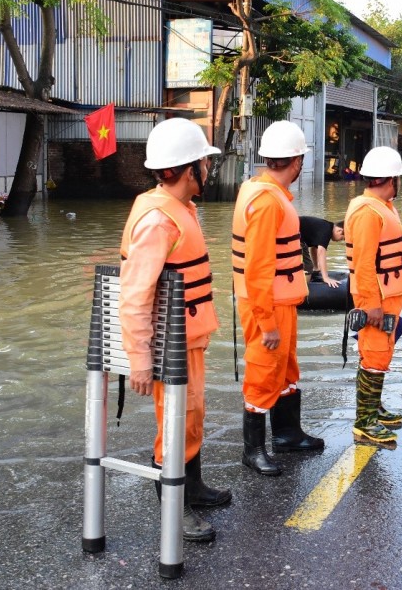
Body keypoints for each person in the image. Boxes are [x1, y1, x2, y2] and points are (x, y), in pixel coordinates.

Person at [118, 118, 230, 543]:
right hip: (169, 345)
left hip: (188, 339)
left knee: (192, 415)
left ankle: (193, 487)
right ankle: (174, 509)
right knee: (176, 423)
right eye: (204, 161)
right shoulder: (157, 221)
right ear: (188, 169)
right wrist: (140, 359)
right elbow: (134, 295)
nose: (209, 167)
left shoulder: (180, 208)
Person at [231, 121, 324, 477]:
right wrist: (266, 321)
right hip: (266, 304)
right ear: (297, 161)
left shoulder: (261, 190)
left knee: (285, 368)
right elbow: (256, 268)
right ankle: (252, 450)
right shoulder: (268, 202)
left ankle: (287, 434)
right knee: (263, 370)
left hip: (279, 301)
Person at [344, 146, 402, 449]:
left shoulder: (381, 206)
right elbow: (363, 264)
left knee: (380, 353)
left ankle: (374, 409)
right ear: (391, 179)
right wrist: (371, 304)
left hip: (388, 294)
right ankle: (364, 424)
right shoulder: (368, 212)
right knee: (375, 355)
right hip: (377, 298)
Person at [298, 216, 345, 287]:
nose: (340, 241)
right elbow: (321, 251)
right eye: (342, 238)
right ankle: (304, 290)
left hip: (294, 234)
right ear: (339, 231)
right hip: (293, 236)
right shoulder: (327, 230)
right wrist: (326, 278)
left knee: (307, 265)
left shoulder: (325, 227)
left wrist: (316, 267)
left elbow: (314, 248)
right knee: (307, 266)